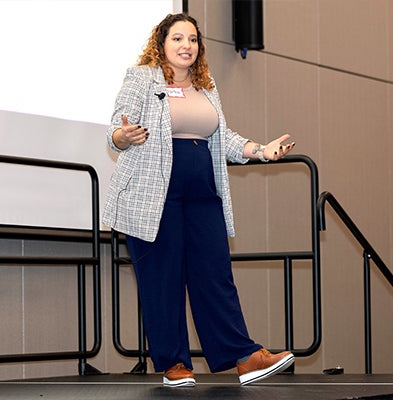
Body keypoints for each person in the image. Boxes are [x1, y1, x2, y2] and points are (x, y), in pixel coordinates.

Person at [103, 13, 295, 387]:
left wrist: (260, 150)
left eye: (192, 39)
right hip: (154, 195)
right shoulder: (142, 78)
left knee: (215, 273)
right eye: (177, 38)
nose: (186, 46)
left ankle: (244, 356)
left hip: (203, 193)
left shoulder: (205, 85)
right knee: (162, 279)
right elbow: (115, 130)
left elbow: (224, 137)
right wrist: (124, 136)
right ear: (161, 44)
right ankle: (174, 363)